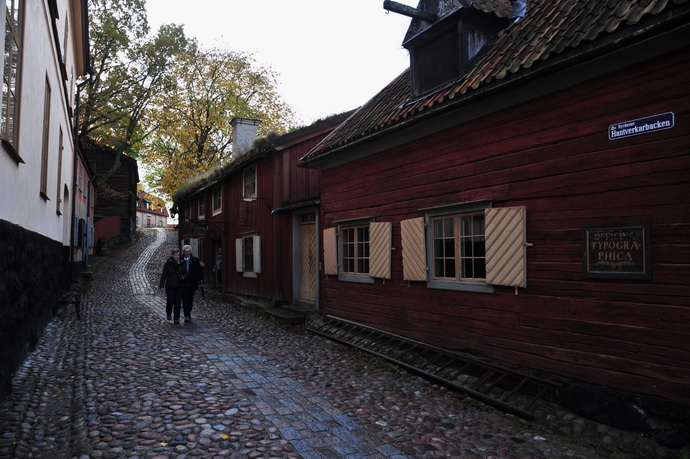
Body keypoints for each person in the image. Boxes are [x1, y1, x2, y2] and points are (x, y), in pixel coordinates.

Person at [159, 248, 184, 324]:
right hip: (170, 285)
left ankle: (176, 318)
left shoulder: (181, 263)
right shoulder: (168, 264)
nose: (177, 257)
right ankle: (168, 312)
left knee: (178, 302)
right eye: (175, 255)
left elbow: (185, 272)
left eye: (178, 255)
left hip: (179, 285)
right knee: (170, 301)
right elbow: (163, 275)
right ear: (172, 255)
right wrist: (161, 285)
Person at [180, 244, 203, 322]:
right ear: (183, 252)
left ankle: (188, 311)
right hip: (183, 283)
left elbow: (199, 271)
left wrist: (200, 280)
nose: (187, 253)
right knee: (184, 299)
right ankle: (186, 315)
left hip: (192, 282)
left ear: (190, 252)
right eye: (185, 251)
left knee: (190, 299)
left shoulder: (195, 260)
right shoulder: (180, 260)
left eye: (188, 251)